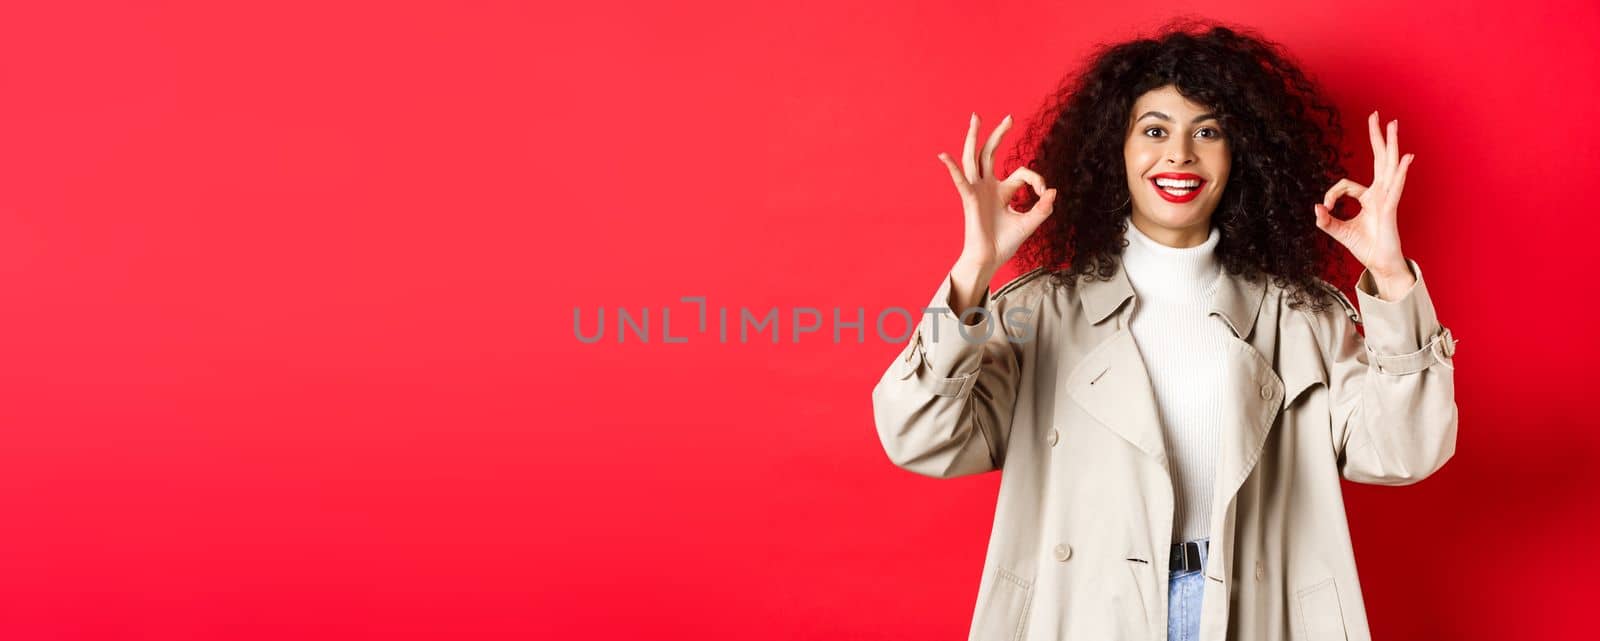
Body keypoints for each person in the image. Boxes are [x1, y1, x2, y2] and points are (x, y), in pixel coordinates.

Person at [870, 21, 1458, 641]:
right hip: (1085, 614)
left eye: (1208, 132)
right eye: (1154, 131)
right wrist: (974, 270)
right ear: (1114, 152)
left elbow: (1404, 453)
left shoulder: (1302, 315)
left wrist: (1391, 278)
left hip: (1254, 616)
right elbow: (919, 438)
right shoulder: (1043, 310)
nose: (1179, 154)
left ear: (1242, 156)